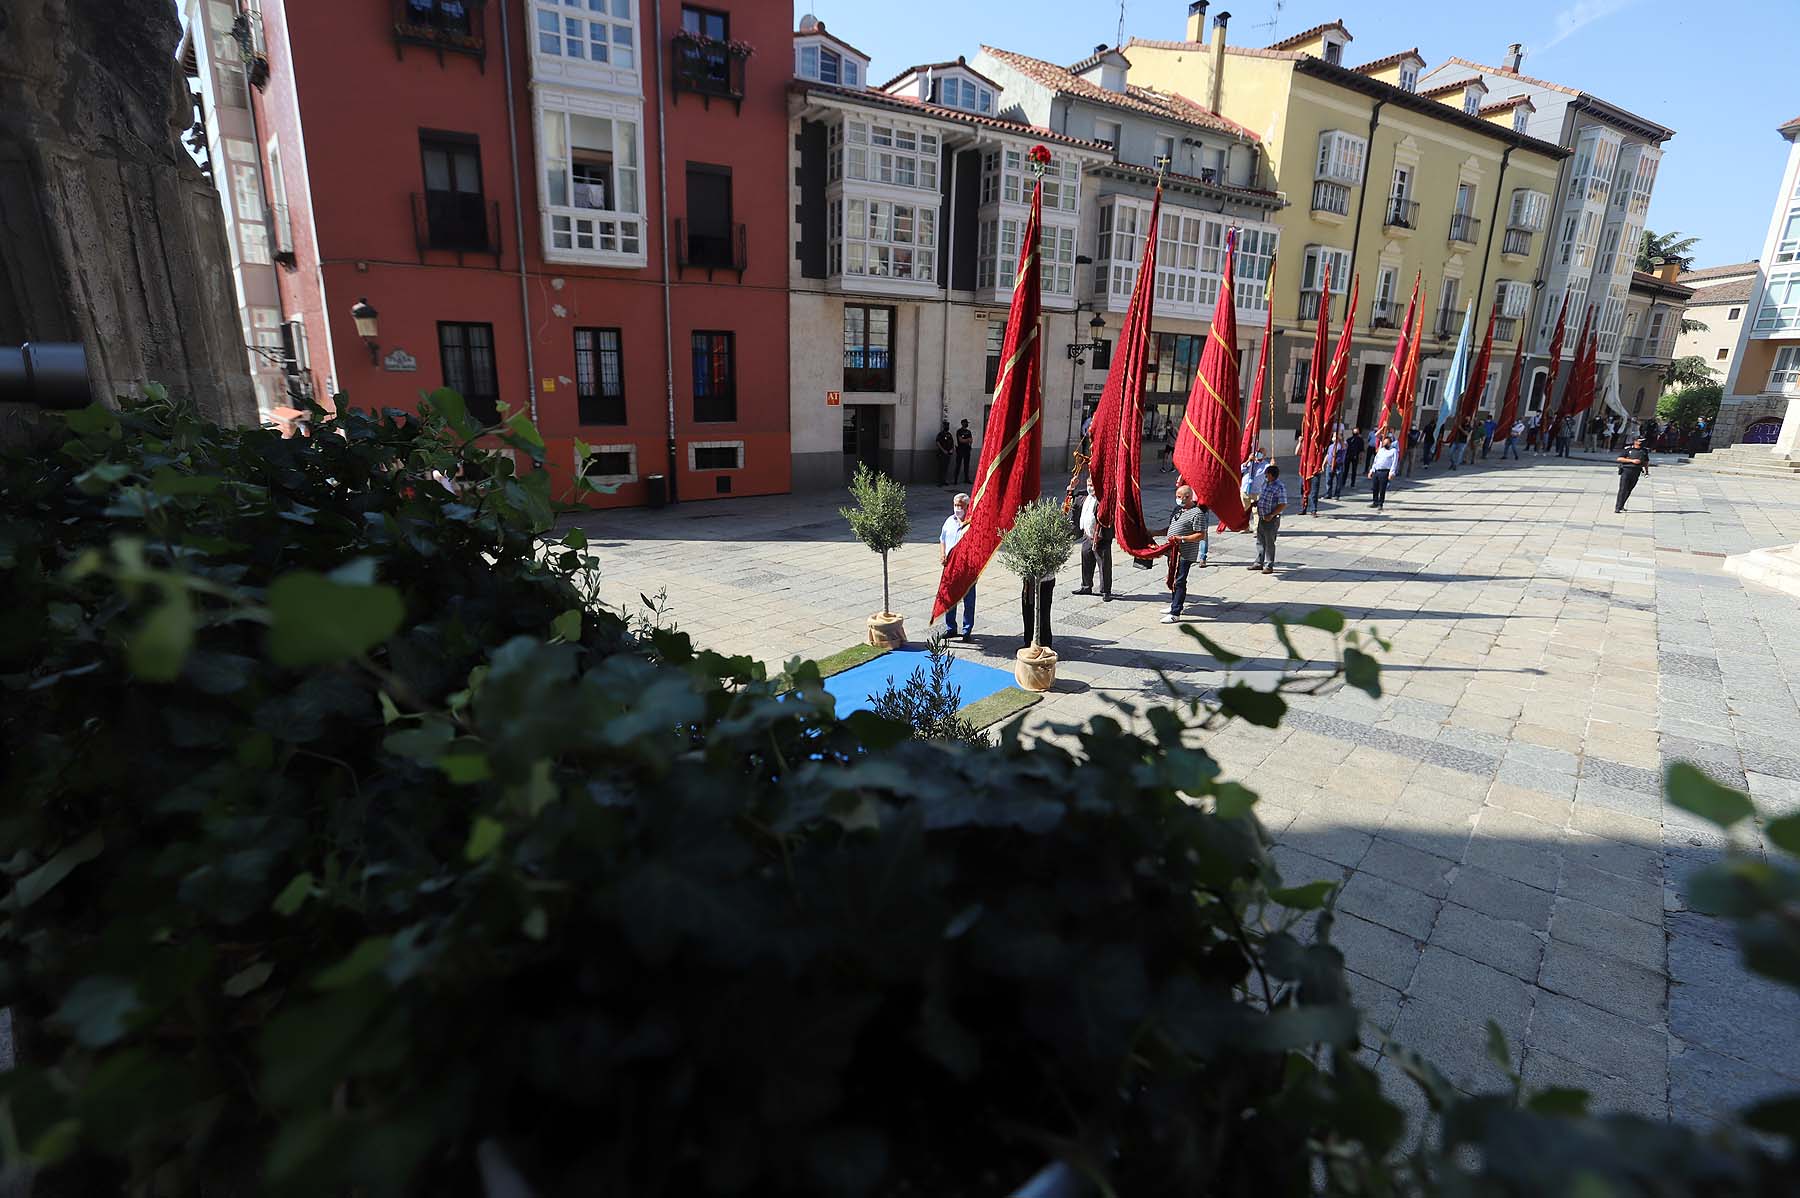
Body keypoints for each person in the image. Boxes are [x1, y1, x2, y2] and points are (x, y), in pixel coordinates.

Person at [1159, 484, 1209, 624]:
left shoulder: (1197, 513)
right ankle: (1174, 604)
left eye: (1180, 497)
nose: (1178, 499)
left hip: (1185, 553)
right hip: (1172, 552)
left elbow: (1200, 535)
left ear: (1188, 497)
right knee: (1172, 578)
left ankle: (1176, 613)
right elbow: (1171, 528)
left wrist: (1182, 539)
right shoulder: (1177, 509)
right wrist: (1155, 532)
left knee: (1179, 581)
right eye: (1177, 497)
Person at [938, 493, 975, 638]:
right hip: (950, 567)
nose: (957, 508)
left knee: (969, 600)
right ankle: (951, 627)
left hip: (967, 568)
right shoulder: (949, 521)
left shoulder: (972, 524)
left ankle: (967, 630)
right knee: (949, 598)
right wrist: (942, 554)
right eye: (955, 505)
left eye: (960, 505)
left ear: (967, 507)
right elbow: (942, 539)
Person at [1072, 484, 1113, 600]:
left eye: (1093, 485)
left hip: (1101, 536)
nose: (1091, 487)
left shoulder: (1104, 498)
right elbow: (1071, 500)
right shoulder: (1084, 496)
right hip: (1087, 535)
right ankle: (1086, 586)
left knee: (1104, 565)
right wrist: (1071, 488)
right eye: (1089, 484)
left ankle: (1106, 591)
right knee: (1086, 560)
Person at [1252, 465, 1287, 574]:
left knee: (1269, 542)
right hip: (1262, 517)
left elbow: (1282, 504)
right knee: (1260, 540)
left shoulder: (1279, 487)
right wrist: (1257, 503)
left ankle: (1269, 565)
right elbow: (1263, 497)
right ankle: (1259, 563)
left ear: (1271, 475)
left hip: (1271, 519)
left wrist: (1271, 515)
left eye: (1267, 474)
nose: (1265, 476)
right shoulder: (1266, 484)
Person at [1615, 436, 1650, 513]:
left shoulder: (1644, 451)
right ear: (1635, 441)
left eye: (1642, 441)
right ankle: (1617, 507)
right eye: (1640, 441)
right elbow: (1619, 458)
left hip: (1636, 471)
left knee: (1629, 490)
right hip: (1626, 470)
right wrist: (1632, 461)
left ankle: (1622, 505)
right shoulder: (1628, 449)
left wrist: (1646, 471)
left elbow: (1646, 462)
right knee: (1623, 489)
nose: (1641, 443)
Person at [1367, 434, 1399, 511]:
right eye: (1384, 443)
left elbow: (1394, 462)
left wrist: (1392, 473)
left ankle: (1380, 503)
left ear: (1390, 443)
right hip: (1377, 470)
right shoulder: (1381, 450)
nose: (1385, 444)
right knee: (1375, 487)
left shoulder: (1393, 451)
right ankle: (1375, 501)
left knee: (1382, 488)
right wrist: (1371, 470)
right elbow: (1375, 461)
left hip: (1385, 472)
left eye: (1387, 443)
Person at [934, 421, 955, 486]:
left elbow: (952, 443)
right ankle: (940, 482)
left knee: (946, 468)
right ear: (944, 426)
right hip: (941, 454)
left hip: (948, 454)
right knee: (941, 468)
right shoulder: (940, 434)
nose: (947, 427)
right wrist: (943, 450)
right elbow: (938, 443)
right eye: (946, 426)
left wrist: (952, 449)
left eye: (948, 426)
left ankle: (944, 481)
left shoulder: (949, 434)